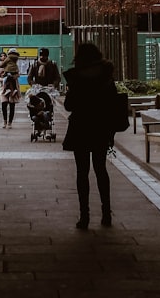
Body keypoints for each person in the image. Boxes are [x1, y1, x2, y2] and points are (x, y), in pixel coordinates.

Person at [62, 42, 116, 229]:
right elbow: (112, 104)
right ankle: (106, 213)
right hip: (101, 127)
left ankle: (84, 216)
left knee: (82, 172)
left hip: (81, 127)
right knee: (101, 169)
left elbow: (68, 106)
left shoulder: (76, 78)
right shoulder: (107, 76)